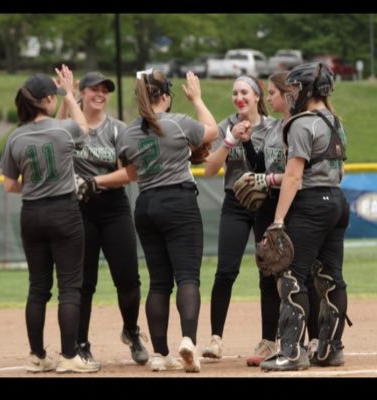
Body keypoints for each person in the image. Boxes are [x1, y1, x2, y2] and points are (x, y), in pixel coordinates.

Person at [116, 69, 218, 372]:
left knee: (159, 282)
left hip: (146, 204)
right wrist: (197, 99)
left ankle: (159, 354)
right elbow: (212, 130)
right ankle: (188, 340)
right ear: (164, 96)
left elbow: (127, 166)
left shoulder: (128, 132)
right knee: (187, 276)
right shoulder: (177, 122)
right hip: (178, 202)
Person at [0, 70, 99, 373]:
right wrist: (69, 92)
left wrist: (32, 186)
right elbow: (83, 127)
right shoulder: (63, 131)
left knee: (38, 287)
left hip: (31, 213)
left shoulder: (16, 136)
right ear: (46, 100)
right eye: (52, 96)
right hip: (63, 212)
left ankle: (37, 355)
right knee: (70, 286)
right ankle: (69, 356)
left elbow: (9, 185)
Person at [260, 62, 350, 371]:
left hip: (311, 203)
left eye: (296, 88)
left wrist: (278, 220)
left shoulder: (301, 123)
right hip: (337, 200)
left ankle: (292, 351)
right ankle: (330, 349)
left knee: (290, 277)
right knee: (329, 277)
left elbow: (294, 176)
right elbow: (340, 169)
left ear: (308, 91)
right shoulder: (336, 121)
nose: (292, 94)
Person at [57, 70, 149, 367]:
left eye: (105, 90)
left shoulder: (117, 129)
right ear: (81, 93)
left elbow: (130, 173)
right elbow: (54, 132)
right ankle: (81, 343)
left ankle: (132, 331)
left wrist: (96, 182)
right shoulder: (71, 127)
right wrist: (64, 94)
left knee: (129, 279)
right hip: (79, 210)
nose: (100, 94)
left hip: (113, 207)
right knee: (84, 282)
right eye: (93, 89)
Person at [233, 71, 321, 366]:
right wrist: (246, 144)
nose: (268, 98)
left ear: (287, 95)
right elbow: (261, 164)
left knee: (301, 275)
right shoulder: (272, 129)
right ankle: (271, 341)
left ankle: (314, 339)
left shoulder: (298, 127)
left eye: (272, 93)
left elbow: (300, 174)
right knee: (268, 276)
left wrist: (268, 179)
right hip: (266, 209)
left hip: (294, 207)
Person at [202, 75, 274, 360]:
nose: (238, 97)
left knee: (268, 271)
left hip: (265, 203)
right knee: (225, 271)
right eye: (234, 93)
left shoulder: (272, 128)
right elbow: (209, 169)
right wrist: (230, 140)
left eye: (244, 92)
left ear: (257, 96)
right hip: (235, 201)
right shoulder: (225, 126)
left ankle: (268, 340)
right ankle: (216, 339)